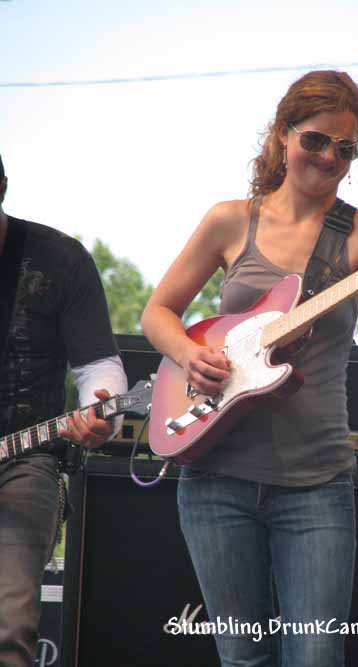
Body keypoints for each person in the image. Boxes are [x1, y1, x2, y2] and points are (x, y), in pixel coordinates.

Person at [141, 70, 358, 666]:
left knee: (317, 657)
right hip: (216, 476)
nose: (329, 158)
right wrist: (188, 354)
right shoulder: (231, 220)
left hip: (316, 483)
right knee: (243, 658)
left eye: (345, 149)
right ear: (283, 133)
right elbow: (158, 312)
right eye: (316, 140)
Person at [0, 153, 127, 667]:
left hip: (22, 460)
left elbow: (99, 366)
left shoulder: (58, 258)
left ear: (2, 187)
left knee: (8, 625)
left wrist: (102, 413)